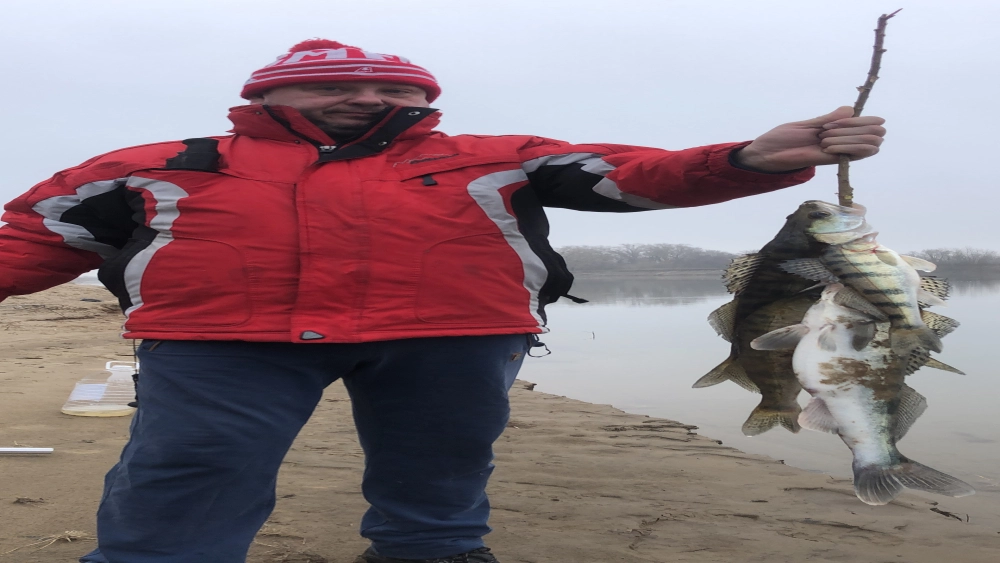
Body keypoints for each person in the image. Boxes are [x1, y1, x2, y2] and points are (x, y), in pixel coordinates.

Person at [0, 39, 886, 563]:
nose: (368, 97)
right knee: (188, 469)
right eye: (336, 85)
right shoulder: (156, 164)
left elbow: (634, 175)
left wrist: (750, 158)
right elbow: (32, 237)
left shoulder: (497, 156)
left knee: (442, 470)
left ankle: (430, 550)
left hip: (454, 338)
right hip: (221, 344)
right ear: (265, 96)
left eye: (395, 89)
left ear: (425, 101)